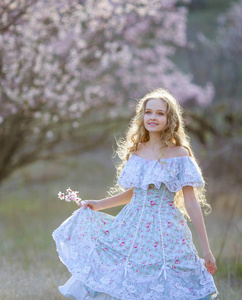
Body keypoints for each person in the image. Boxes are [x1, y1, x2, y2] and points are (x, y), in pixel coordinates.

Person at [53, 88, 218, 299]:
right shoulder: (138, 150)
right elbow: (135, 194)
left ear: (170, 119)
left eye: (160, 113)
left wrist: (206, 249)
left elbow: (191, 203)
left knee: (166, 281)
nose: (153, 117)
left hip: (166, 229)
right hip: (131, 226)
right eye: (149, 112)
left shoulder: (180, 154)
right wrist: (99, 204)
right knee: (124, 279)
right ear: (142, 116)